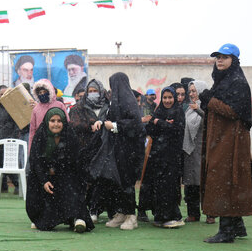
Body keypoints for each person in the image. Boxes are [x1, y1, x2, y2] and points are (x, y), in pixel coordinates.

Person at [199, 43, 252, 243]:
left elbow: (234, 111)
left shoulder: (237, 82)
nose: (220, 60)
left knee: (225, 179)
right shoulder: (223, 81)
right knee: (228, 179)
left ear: (234, 60)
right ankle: (237, 225)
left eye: (225, 57)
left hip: (231, 140)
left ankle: (226, 231)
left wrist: (209, 100)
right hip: (223, 138)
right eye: (218, 57)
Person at [88, 72, 145, 230]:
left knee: (126, 181)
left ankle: (131, 215)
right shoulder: (115, 102)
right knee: (117, 181)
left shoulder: (128, 101)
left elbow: (136, 124)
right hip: (117, 149)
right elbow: (109, 117)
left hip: (128, 150)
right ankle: (121, 213)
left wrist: (114, 126)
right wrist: (102, 122)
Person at [26, 107, 94, 232]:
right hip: (44, 176)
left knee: (72, 184)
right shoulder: (40, 136)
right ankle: (42, 218)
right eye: (52, 121)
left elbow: (75, 161)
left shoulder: (70, 136)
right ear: (47, 122)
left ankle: (77, 218)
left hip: (65, 174)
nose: (56, 124)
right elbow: (35, 162)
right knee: (37, 185)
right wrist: (44, 180)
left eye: (59, 121)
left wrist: (59, 171)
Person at [140, 87, 185, 228]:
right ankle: (160, 216)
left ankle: (172, 216)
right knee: (158, 187)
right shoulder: (159, 111)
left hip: (171, 156)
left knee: (169, 187)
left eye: (170, 98)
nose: (167, 100)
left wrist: (159, 123)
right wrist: (161, 123)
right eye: (164, 98)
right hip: (157, 157)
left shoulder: (178, 112)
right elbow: (150, 129)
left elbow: (176, 130)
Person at [69, 79, 110, 222]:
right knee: (85, 179)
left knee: (100, 180)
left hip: (103, 148)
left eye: (95, 91)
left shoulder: (107, 106)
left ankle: (96, 209)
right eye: (90, 91)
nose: (92, 94)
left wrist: (103, 124)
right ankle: (83, 209)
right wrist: (91, 124)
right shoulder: (79, 107)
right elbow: (74, 124)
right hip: (85, 149)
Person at [182, 80, 213, 223]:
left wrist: (199, 110)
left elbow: (211, 122)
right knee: (191, 184)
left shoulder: (208, 107)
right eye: (190, 91)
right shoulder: (188, 109)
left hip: (203, 150)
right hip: (190, 151)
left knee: (205, 183)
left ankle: (210, 214)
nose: (191, 94)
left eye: (194, 91)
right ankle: (193, 214)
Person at [0, 85, 21, 193]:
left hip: (9, 140)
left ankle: (17, 184)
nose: (4, 96)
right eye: (2, 94)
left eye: (6, 94)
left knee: (9, 164)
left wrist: (14, 138)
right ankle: (3, 186)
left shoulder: (14, 107)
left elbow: (17, 125)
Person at [29, 79, 69, 153]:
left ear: (50, 91)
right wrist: (31, 150)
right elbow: (32, 130)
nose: (42, 94)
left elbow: (67, 124)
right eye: (40, 93)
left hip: (59, 142)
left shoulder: (59, 105)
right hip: (41, 144)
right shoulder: (36, 109)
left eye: (45, 92)